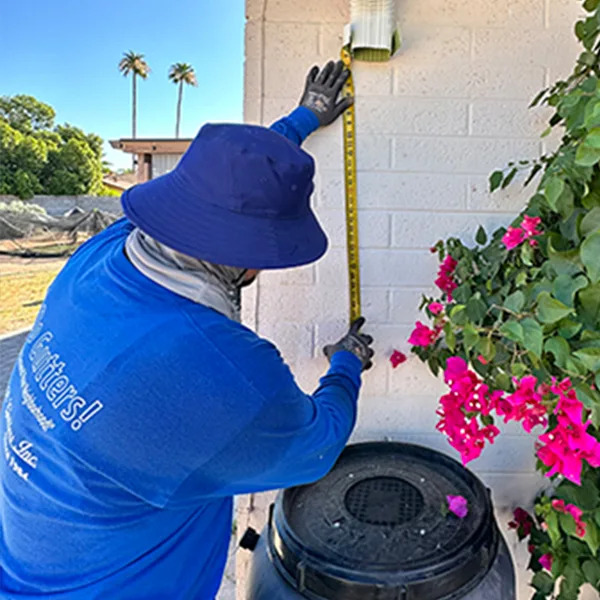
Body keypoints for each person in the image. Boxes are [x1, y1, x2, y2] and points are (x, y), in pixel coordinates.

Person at [0, 60, 374, 599]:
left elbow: (224, 187)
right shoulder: (217, 370)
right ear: (250, 256)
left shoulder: (101, 256)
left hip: (27, 558)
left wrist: (300, 122)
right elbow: (316, 446)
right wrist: (346, 365)